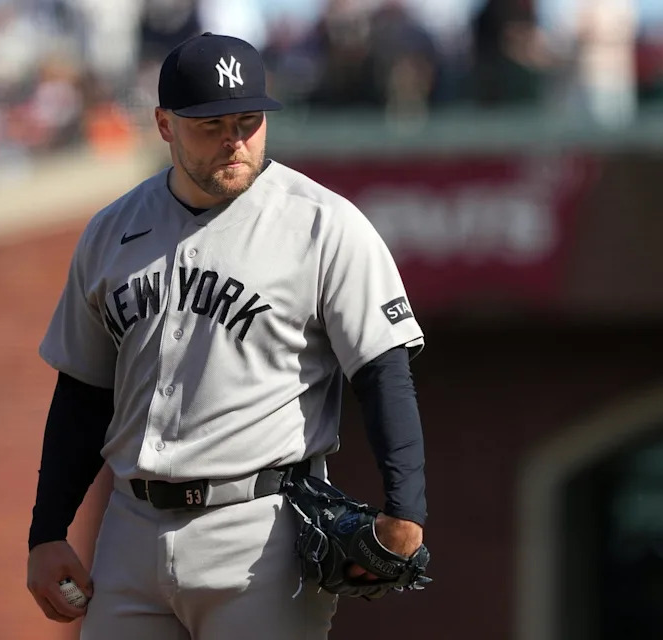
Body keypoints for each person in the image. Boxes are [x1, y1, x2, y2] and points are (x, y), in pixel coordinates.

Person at [26, 32, 428, 640]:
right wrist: (48, 530)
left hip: (259, 531)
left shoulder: (322, 223)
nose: (234, 140)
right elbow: (83, 391)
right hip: (130, 529)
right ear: (164, 124)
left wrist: (406, 514)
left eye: (248, 121)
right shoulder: (112, 231)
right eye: (210, 124)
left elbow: (382, 371)